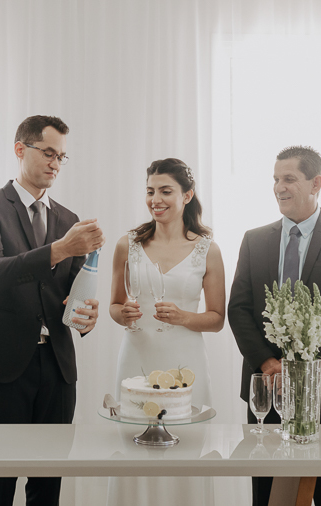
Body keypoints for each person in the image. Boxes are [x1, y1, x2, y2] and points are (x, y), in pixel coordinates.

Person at [0, 115, 103, 506]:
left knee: (47, 481)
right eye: (49, 152)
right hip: (3, 364)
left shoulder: (68, 220)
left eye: (62, 156)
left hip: (56, 365)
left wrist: (87, 314)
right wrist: (60, 249)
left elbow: (71, 292)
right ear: (21, 149)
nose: (56, 162)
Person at [228, 145, 321, 506]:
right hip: (268, 387)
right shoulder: (254, 239)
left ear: (316, 183)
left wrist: (304, 371)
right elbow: (239, 309)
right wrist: (268, 364)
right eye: (276, 179)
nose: (279, 187)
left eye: (289, 179)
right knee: (267, 493)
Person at [107, 158, 226, 505]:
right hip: (136, 359)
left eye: (165, 191)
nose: (155, 199)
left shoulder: (208, 249)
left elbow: (217, 318)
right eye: (150, 191)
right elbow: (114, 306)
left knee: (186, 450)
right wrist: (124, 313)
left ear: (187, 195)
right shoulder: (126, 244)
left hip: (186, 363)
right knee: (133, 446)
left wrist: (184, 317)